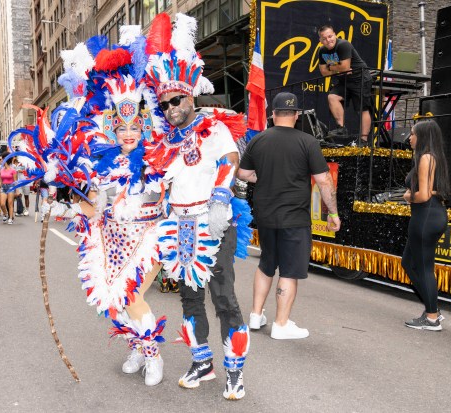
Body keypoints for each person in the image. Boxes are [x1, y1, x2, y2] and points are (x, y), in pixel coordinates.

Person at [31, 33, 168, 386]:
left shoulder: (158, 159)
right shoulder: (99, 164)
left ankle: (154, 356)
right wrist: (61, 196)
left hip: (147, 236)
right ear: (110, 126)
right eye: (120, 127)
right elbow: (90, 206)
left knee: (133, 295)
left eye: (134, 126)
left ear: (145, 126)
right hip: (110, 238)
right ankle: (138, 346)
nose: (127, 133)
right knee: (117, 301)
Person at [145, 13, 251, 400]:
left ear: (190, 96)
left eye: (176, 99)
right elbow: (157, 182)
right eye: (165, 102)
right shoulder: (165, 140)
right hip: (182, 226)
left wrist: (222, 202)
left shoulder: (213, 126)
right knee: (190, 296)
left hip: (213, 220)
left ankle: (234, 372)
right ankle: (202, 361)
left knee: (223, 297)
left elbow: (228, 161)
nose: (171, 106)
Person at [237, 92, 341, 340]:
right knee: (289, 271)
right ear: (296, 115)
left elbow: (242, 173)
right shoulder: (308, 142)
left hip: (265, 215)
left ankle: (255, 315)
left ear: (272, 115)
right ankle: (281, 324)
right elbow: (324, 181)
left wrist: (260, 178)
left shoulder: (258, 140)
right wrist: (333, 213)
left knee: (266, 264)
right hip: (294, 217)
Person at [401, 120, 449, 331]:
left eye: (412, 134)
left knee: (423, 267)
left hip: (426, 216)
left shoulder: (426, 158)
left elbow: (424, 195)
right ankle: (433, 309)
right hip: (428, 215)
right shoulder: (430, 157)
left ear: (422, 137)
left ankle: (431, 317)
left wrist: (408, 196)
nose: (409, 138)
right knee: (408, 263)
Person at [318, 24, 372, 145]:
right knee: (332, 97)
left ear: (335, 35)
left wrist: (330, 66)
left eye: (330, 36)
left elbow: (345, 67)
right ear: (320, 40)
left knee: (362, 109)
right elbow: (324, 72)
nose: (328, 40)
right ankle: (341, 128)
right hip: (345, 81)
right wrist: (339, 68)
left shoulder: (343, 45)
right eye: (324, 38)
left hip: (360, 78)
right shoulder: (322, 51)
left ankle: (363, 140)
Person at [0, 155, 17, 225]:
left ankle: (10, 218)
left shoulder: (13, 170)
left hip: (11, 187)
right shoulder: (1, 170)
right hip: (3, 187)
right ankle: (5, 214)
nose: (0, 161)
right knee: (2, 204)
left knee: (10, 204)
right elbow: (0, 182)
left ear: (6, 160)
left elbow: (16, 181)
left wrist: (17, 190)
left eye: (2, 160)